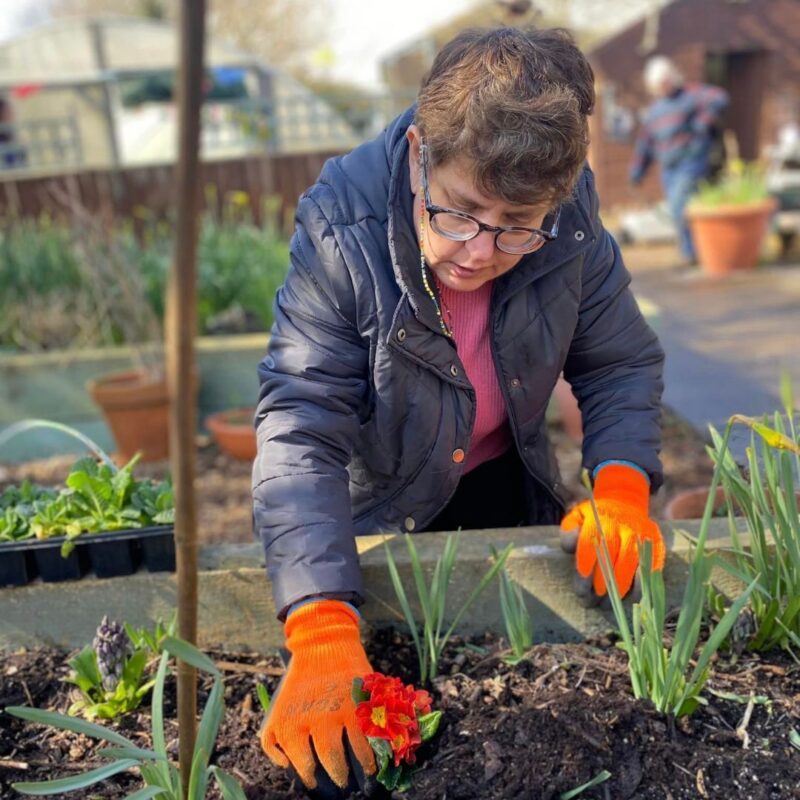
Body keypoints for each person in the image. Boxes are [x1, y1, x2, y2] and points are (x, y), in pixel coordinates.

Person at [254, 26, 665, 796]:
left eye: (516, 228)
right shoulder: (343, 233)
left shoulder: (570, 226)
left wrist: (620, 484)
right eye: (461, 213)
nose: (480, 252)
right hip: (380, 512)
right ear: (419, 153)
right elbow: (301, 423)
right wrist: (317, 620)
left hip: (504, 480)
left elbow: (617, 363)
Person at [629, 55, 729, 264]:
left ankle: (691, 253)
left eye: (666, 80)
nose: (664, 86)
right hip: (668, 168)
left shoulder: (692, 94)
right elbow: (645, 144)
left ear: (673, 77)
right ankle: (693, 250)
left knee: (678, 205)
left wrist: (703, 122)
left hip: (691, 162)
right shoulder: (655, 111)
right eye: (659, 83)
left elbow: (720, 97)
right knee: (680, 209)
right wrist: (637, 172)